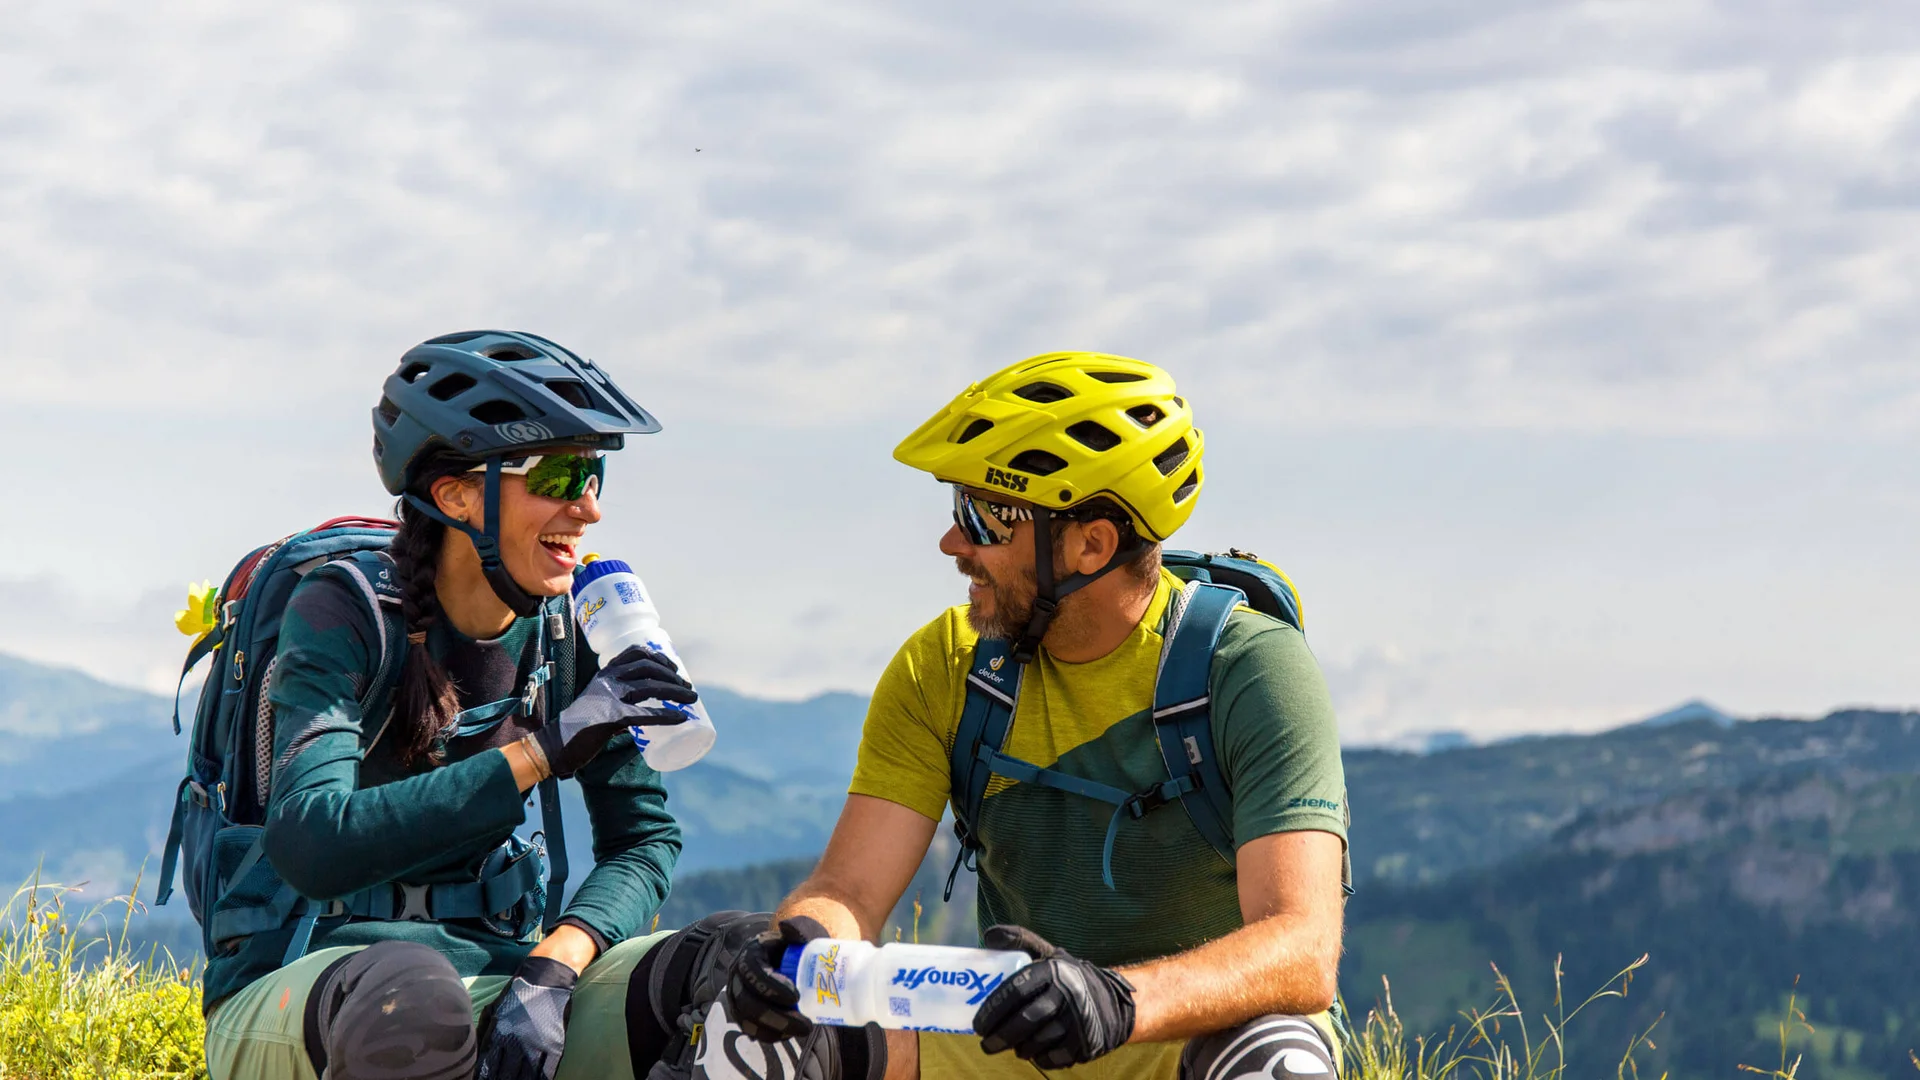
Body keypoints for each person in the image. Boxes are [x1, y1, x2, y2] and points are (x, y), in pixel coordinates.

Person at [201, 331, 868, 1080]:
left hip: (501, 971)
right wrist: (540, 754)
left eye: (595, 473)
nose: (587, 509)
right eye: (558, 473)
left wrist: (557, 963)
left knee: (742, 967)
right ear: (455, 494)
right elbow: (310, 844)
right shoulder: (342, 610)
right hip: (311, 978)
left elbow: (644, 839)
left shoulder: (569, 626)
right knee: (415, 1004)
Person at [721, 353, 1351, 1080]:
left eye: (984, 516)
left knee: (1278, 1060)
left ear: (1092, 544)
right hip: (1010, 1028)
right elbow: (850, 892)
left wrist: (1117, 1000)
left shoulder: (1247, 668)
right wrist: (803, 947)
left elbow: (1301, 946)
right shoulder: (944, 666)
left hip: (1185, 1030)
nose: (953, 543)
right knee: (764, 1043)